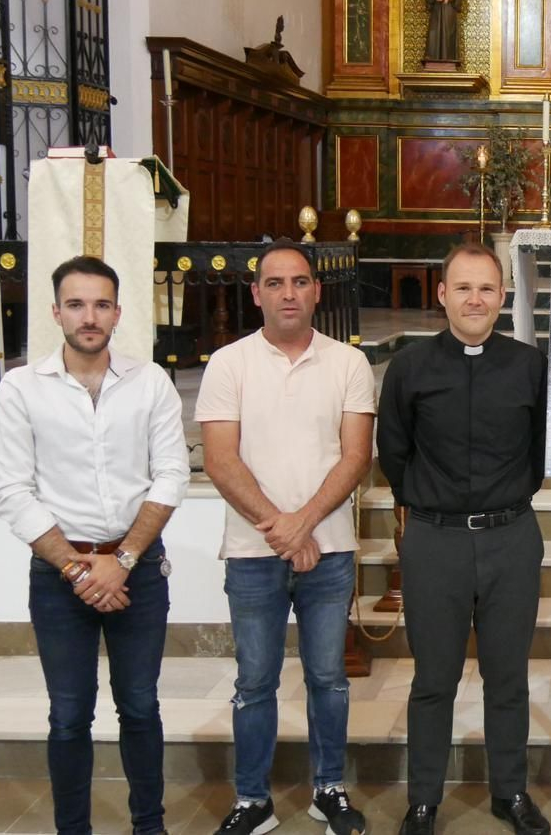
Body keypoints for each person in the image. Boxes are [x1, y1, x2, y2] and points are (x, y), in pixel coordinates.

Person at [0, 255, 190, 835]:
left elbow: (172, 475)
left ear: (118, 313)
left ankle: (148, 826)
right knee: (70, 716)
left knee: (141, 707)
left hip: (140, 571)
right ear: (56, 312)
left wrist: (122, 562)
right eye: (76, 304)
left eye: (101, 304)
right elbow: (11, 491)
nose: (89, 316)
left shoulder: (149, 382)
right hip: (59, 575)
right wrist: (83, 573)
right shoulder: (21, 388)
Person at [197, 239, 376, 835]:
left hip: (328, 550)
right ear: (256, 294)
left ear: (317, 290)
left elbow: (355, 458)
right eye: (275, 283)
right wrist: (283, 528)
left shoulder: (348, 363)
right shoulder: (229, 363)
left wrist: (304, 525)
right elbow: (221, 461)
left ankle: (330, 790)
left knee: (328, 676)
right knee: (255, 680)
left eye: (299, 281)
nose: (289, 293)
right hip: (252, 553)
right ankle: (253, 799)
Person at [377, 242, 551, 835]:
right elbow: (393, 455)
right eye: (463, 288)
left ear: (501, 297)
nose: (475, 299)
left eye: (486, 289)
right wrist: (432, 509)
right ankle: (423, 798)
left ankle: (511, 792)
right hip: (436, 541)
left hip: (511, 538)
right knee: (433, 679)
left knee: (508, 677)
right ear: (442, 294)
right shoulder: (410, 368)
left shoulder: (530, 367)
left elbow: (538, 454)